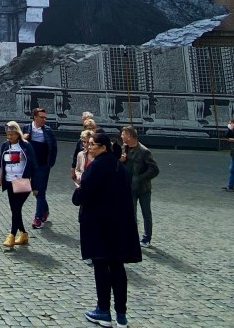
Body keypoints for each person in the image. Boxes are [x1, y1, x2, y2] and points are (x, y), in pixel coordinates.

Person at [72, 132, 141, 328]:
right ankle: (121, 314)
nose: (88, 147)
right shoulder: (118, 166)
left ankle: (103, 310)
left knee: (101, 266)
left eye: (92, 144)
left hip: (99, 225)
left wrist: (77, 191)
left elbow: (82, 195)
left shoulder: (97, 166)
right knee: (117, 267)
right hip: (118, 226)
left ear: (103, 147)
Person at [0, 121, 37, 249]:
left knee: (16, 208)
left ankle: (12, 235)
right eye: (8, 134)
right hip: (9, 182)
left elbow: (34, 165)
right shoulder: (5, 145)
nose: (9, 137)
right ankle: (23, 234)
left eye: (12, 134)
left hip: (22, 181)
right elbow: (0, 162)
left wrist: (35, 186)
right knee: (15, 209)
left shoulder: (26, 146)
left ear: (18, 134)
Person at [119, 125, 159, 248]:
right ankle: (132, 237)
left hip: (143, 189)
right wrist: (120, 161)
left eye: (123, 134)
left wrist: (140, 178)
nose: (121, 136)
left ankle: (147, 238)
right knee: (130, 214)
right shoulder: (123, 149)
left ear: (130, 136)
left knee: (146, 213)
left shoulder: (144, 151)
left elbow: (154, 169)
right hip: (129, 187)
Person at [24, 107, 57, 229]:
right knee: (35, 191)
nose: (44, 119)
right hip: (30, 164)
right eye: (41, 117)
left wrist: (50, 163)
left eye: (45, 117)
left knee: (40, 190)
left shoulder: (48, 130)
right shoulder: (26, 128)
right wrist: (23, 138)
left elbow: (53, 147)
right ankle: (45, 209)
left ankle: (37, 218)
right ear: (35, 117)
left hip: (43, 165)